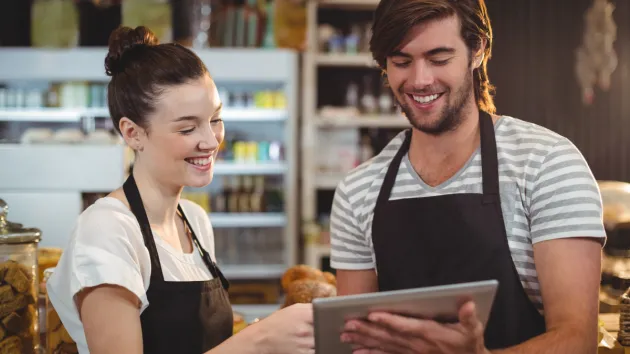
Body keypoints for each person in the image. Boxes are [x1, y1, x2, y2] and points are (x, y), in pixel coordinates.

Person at [330, 0, 605, 353]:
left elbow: (577, 341)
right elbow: (356, 340)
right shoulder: (358, 190)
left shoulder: (547, 164)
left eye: (439, 58)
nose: (420, 80)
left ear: (477, 50)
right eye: (401, 62)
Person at [46, 26, 314, 354]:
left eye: (215, 119)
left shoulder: (194, 220)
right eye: (188, 127)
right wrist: (259, 341)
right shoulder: (107, 229)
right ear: (132, 133)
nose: (211, 140)